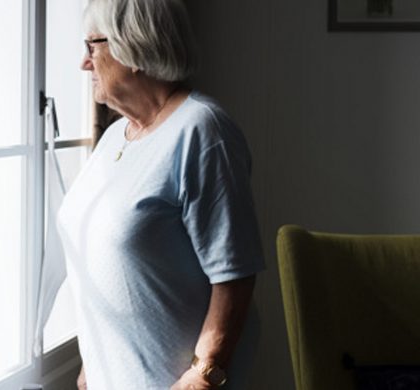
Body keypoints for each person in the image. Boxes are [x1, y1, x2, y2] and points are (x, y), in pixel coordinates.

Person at [55, 0, 266, 389]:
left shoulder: (202, 130)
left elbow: (235, 274)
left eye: (92, 47)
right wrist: (93, 364)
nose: (84, 64)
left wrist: (205, 372)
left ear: (131, 47)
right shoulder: (118, 134)